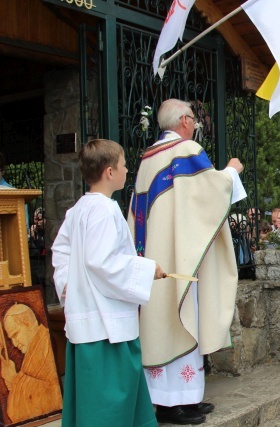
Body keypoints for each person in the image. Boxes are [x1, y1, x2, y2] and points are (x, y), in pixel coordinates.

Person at [128, 99, 244, 425]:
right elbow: (210, 191)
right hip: (178, 258)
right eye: (193, 118)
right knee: (180, 318)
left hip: (157, 255)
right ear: (183, 120)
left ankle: (187, 399)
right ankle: (171, 406)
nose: (195, 124)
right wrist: (232, 172)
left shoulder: (148, 158)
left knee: (164, 322)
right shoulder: (185, 150)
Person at [51, 138, 164, 426]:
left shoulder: (77, 210)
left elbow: (61, 252)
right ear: (109, 172)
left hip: (90, 320)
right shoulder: (104, 209)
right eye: (124, 164)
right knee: (108, 408)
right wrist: (147, 269)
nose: (127, 170)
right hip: (105, 327)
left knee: (94, 404)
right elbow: (102, 262)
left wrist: (69, 287)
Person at [1, 304, 63, 424]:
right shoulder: (33, 350)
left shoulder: (45, 344)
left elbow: (51, 395)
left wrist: (15, 379)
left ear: (27, 322)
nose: (14, 343)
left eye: (16, 334)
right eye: (11, 338)